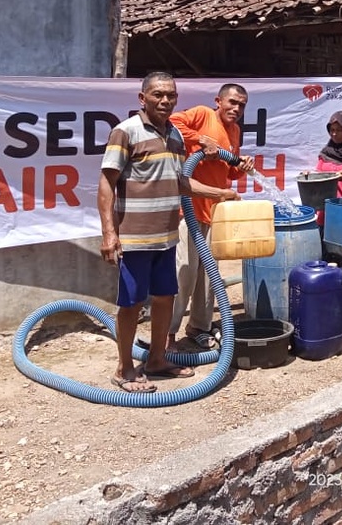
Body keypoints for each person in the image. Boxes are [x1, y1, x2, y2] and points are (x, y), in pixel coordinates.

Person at [98, 72, 233, 393]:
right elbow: (107, 183)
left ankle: (157, 359)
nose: (165, 100)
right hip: (134, 237)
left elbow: (181, 182)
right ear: (142, 98)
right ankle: (124, 368)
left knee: (165, 299)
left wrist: (220, 193)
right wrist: (108, 234)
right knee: (131, 303)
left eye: (171, 95)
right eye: (158, 95)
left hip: (166, 236)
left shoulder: (175, 135)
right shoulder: (125, 132)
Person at [168, 84, 256, 352]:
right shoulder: (203, 114)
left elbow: (228, 173)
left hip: (214, 212)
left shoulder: (234, 131)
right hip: (189, 210)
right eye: (232, 102)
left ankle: (199, 327)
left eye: (241, 105)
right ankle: (167, 335)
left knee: (208, 275)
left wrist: (242, 167)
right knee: (184, 272)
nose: (236, 109)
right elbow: (171, 122)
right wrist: (200, 139)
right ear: (219, 100)